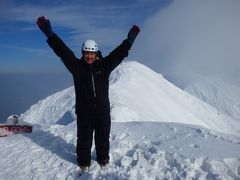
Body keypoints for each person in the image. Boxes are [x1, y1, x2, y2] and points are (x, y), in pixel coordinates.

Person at [36, 16, 140, 171]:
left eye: (92, 53)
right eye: (86, 53)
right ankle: (84, 163)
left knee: (102, 137)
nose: (89, 56)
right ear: (83, 53)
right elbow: (63, 52)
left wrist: (129, 42)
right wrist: (51, 36)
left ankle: (103, 159)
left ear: (96, 53)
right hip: (84, 112)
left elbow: (117, 54)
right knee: (84, 139)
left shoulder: (104, 67)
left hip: (102, 111)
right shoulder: (77, 68)